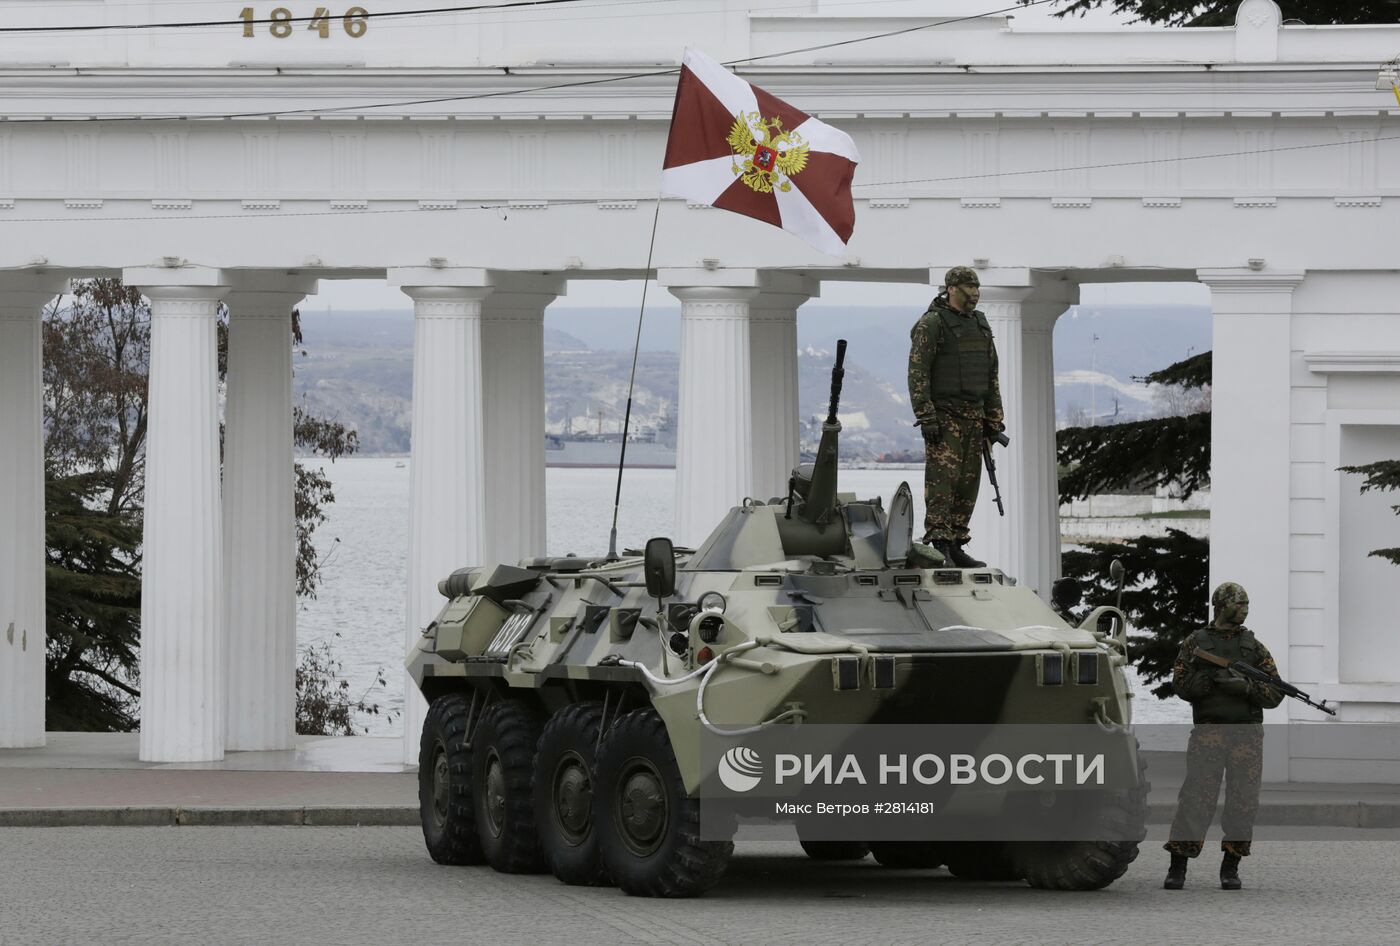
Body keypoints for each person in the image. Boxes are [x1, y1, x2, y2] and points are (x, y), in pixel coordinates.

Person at [1163, 581, 1283, 891]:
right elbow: (1180, 684)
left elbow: (1275, 694)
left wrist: (1244, 687)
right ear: (1222, 605)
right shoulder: (1196, 643)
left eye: (1246, 604)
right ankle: (1178, 865)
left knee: (1243, 802)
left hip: (1247, 736)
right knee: (1196, 799)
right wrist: (1208, 683)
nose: (1245, 609)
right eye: (1239, 604)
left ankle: (1231, 865)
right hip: (1209, 732)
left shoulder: (1253, 648)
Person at [907, 266, 1005, 568]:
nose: (974, 293)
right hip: (945, 417)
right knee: (942, 484)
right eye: (968, 288)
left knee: (967, 484)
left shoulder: (979, 325)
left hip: (974, 418)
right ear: (951, 288)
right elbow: (918, 373)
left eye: (976, 288)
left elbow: (991, 375)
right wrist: (926, 416)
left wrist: (994, 420)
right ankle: (939, 545)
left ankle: (957, 543)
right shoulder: (932, 324)